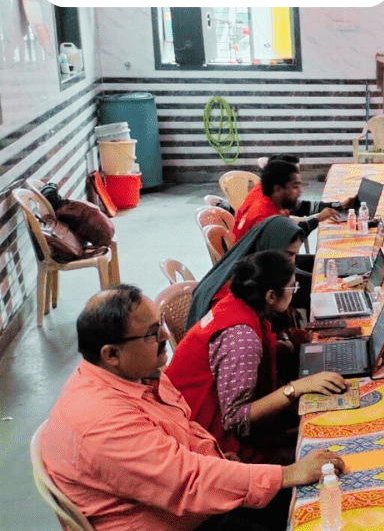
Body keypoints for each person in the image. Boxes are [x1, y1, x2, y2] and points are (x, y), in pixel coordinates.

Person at [40, 286, 344, 531]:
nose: (163, 337)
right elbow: (188, 481)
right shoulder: (101, 423)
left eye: (159, 325)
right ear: (111, 354)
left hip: (190, 500)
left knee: (323, 493)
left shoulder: (138, 375)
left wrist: (220, 458)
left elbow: (185, 428)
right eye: (151, 333)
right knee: (321, 506)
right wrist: (287, 474)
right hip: (181, 516)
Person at [166, 251, 346, 462]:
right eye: (291, 287)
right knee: (331, 446)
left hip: (197, 421)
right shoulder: (241, 336)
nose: (294, 292)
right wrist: (296, 388)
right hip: (210, 443)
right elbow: (235, 419)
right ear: (270, 296)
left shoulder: (233, 303)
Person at [186, 217, 304, 331]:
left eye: (295, 255)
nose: (293, 262)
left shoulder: (257, 274)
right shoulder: (233, 295)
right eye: (289, 254)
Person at [232, 160, 350, 242]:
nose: (300, 191)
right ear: (278, 188)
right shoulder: (264, 217)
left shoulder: (267, 191)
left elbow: (300, 207)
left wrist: (337, 205)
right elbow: (292, 240)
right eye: (295, 186)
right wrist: (317, 219)